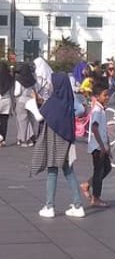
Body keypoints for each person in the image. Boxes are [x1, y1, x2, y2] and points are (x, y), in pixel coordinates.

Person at [31, 73, 84, 218]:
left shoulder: (53, 101)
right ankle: (78, 205)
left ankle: (49, 206)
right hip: (66, 140)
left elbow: (40, 116)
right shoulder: (68, 100)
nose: (50, 85)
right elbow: (80, 110)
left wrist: (32, 105)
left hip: (53, 139)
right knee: (69, 171)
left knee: (52, 170)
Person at [80, 80, 112, 208]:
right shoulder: (97, 111)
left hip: (101, 146)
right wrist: (102, 146)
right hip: (97, 147)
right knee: (99, 171)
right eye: (105, 95)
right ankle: (96, 198)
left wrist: (107, 146)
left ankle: (87, 184)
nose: (107, 97)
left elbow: (103, 130)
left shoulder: (101, 109)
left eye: (108, 94)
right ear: (97, 96)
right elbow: (94, 128)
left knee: (107, 168)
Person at [12, 60, 37, 146]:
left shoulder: (19, 80)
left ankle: (23, 139)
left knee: (22, 121)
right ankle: (31, 138)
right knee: (30, 120)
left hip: (21, 101)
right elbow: (34, 90)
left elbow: (17, 92)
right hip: (31, 101)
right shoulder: (32, 79)